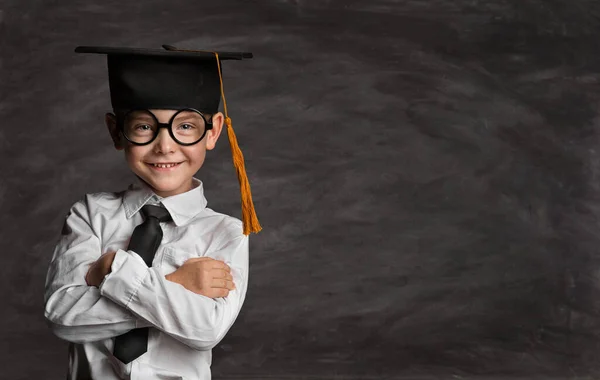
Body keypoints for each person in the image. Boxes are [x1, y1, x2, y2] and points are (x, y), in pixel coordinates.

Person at [43, 45, 262, 380]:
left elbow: (207, 329)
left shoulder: (225, 232)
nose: (165, 146)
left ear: (213, 131)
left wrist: (114, 270)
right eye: (144, 127)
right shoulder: (90, 214)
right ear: (117, 131)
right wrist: (176, 284)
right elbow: (63, 316)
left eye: (186, 127)